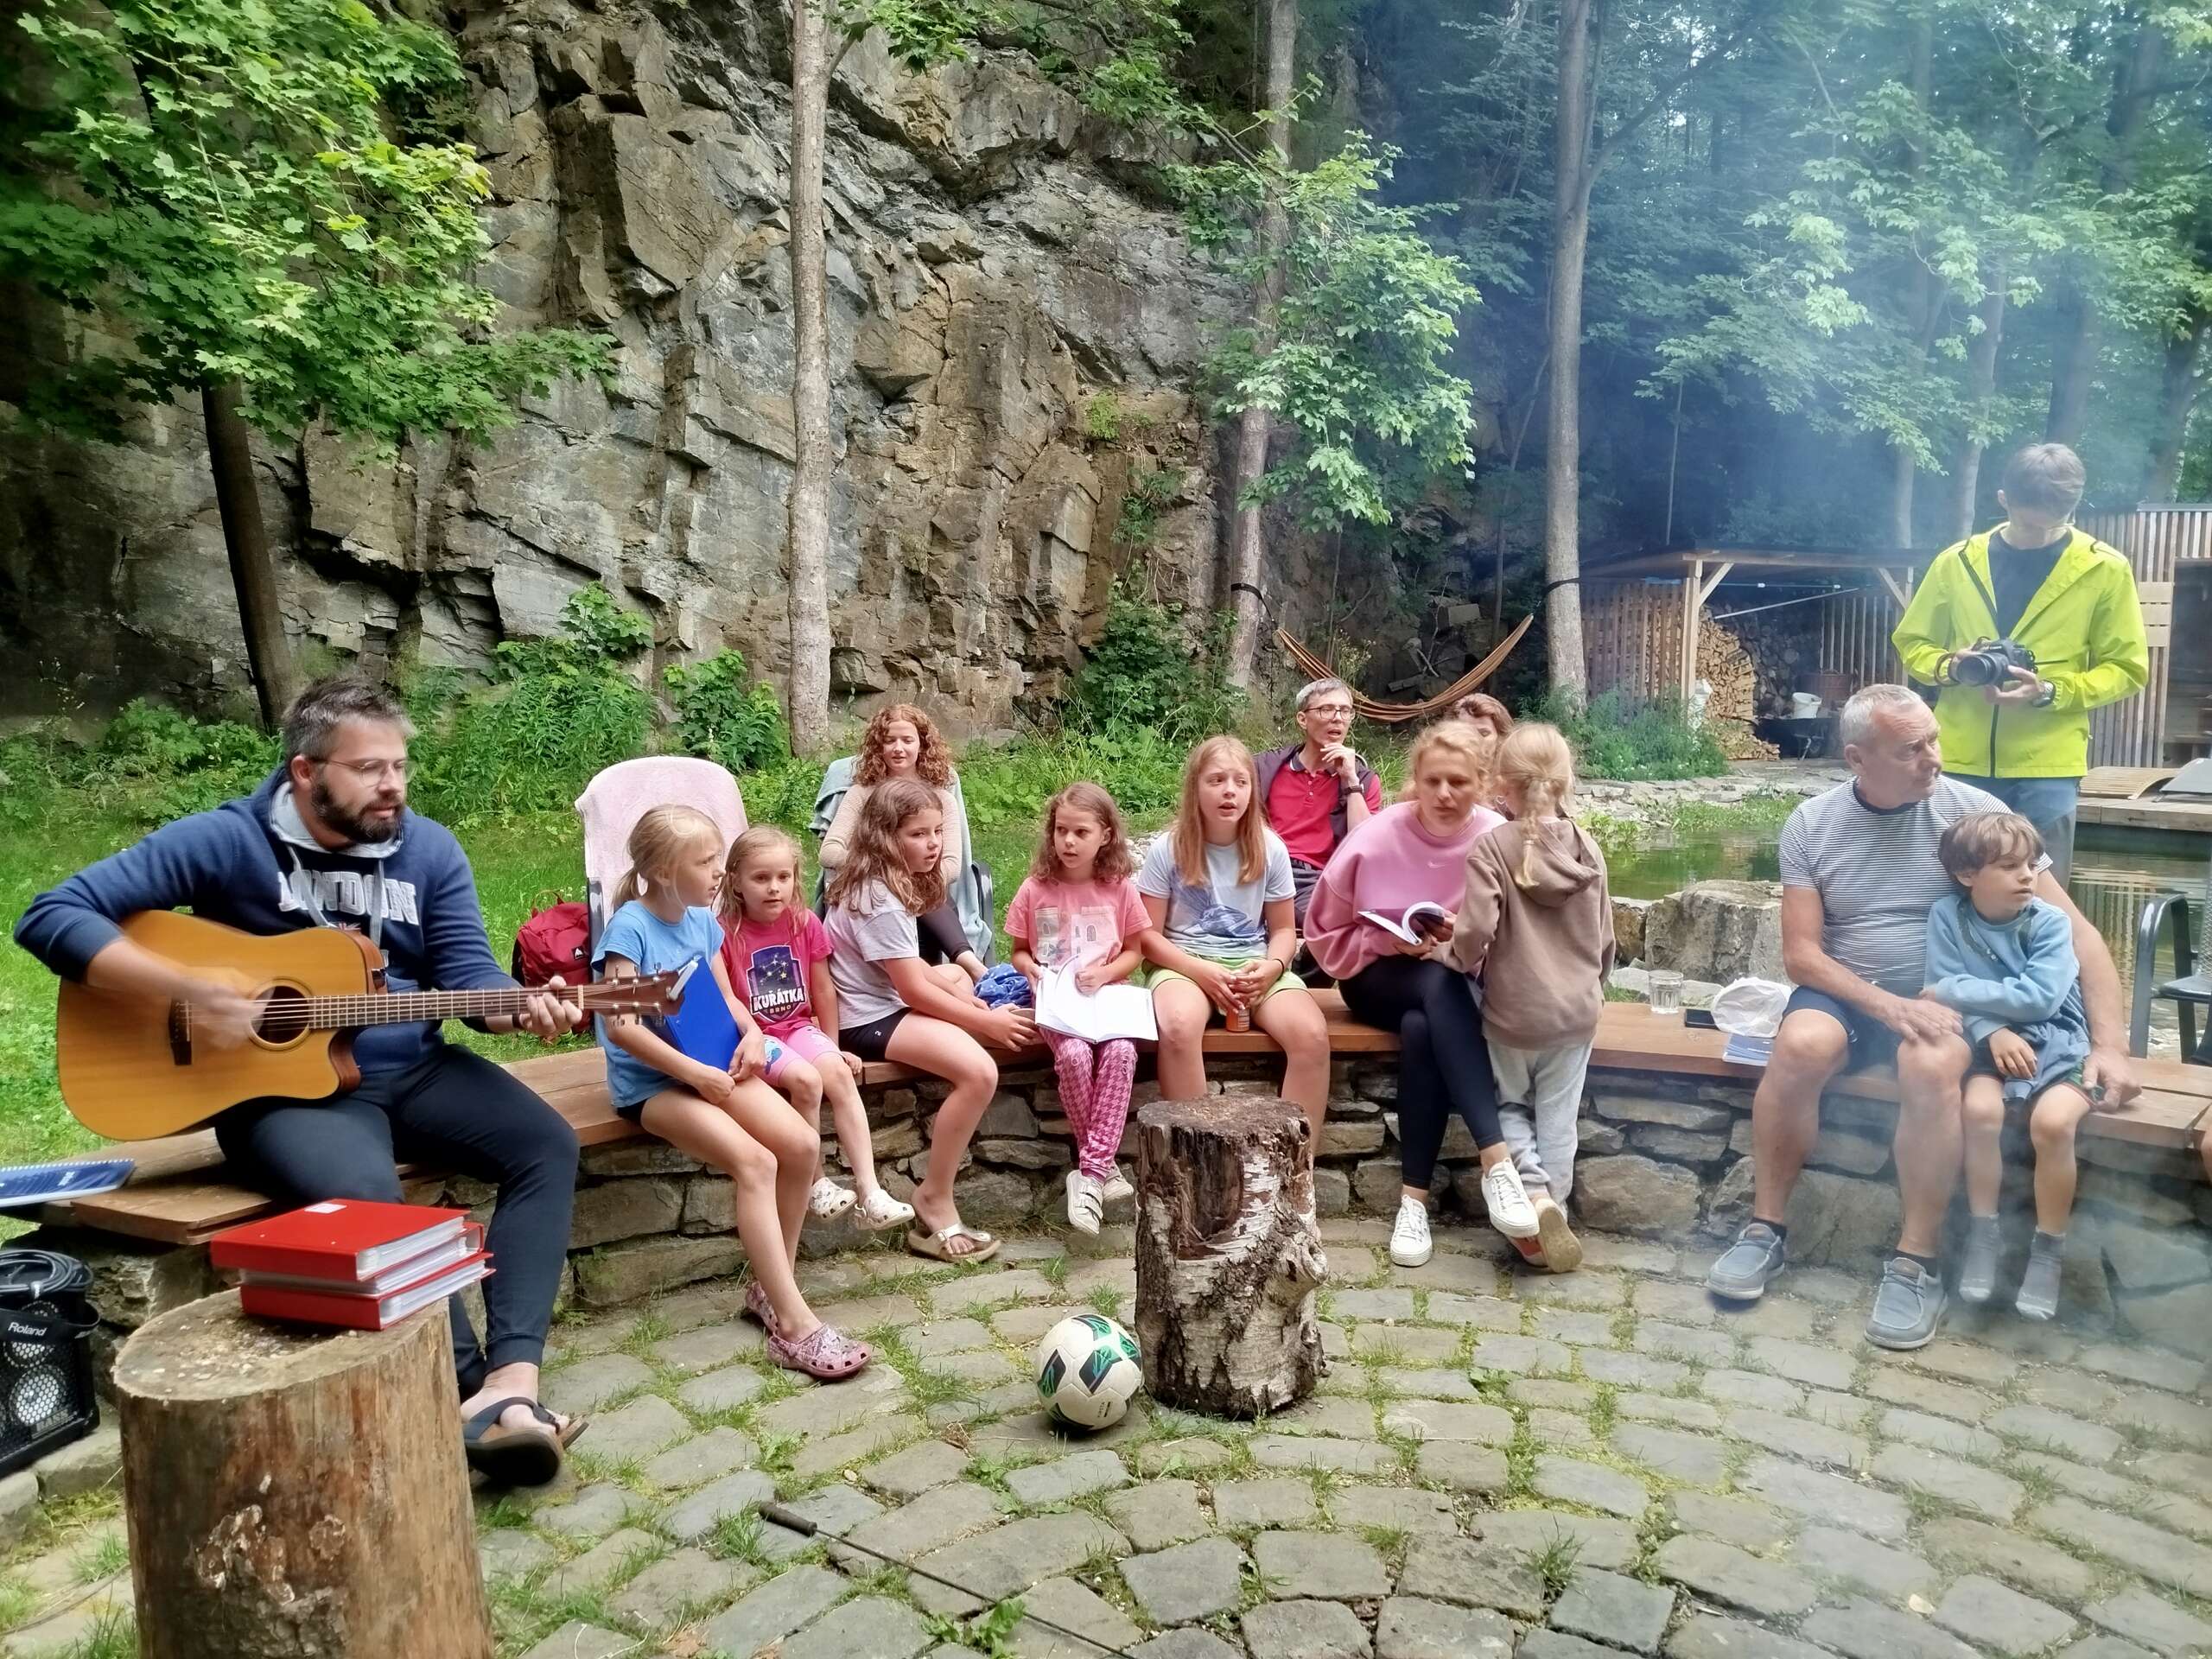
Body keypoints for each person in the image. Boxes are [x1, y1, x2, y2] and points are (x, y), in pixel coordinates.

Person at [14, 677, 588, 1484]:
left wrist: (517, 1009)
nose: (393, 785)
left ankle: (512, 1378)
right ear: (306, 772)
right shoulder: (226, 841)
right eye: (369, 768)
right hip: (280, 1093)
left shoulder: (429, 850)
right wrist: (183, 989)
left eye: (400, 766)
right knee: (369, 1203)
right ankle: (470, 1400)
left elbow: (467, 975)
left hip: (410, 1067)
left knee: (546, 1144)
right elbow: (50, 914)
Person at [1704, 684, 2139, 1350]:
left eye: (1934, 740)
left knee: (1932, 1065)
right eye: (1911, 749)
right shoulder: (1811, 824)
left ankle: (1916, 1263)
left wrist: (2109, 1046)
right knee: (1800, 1045)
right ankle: (1765, 1229)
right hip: (1854, 991)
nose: (1934, 757)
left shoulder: (1978, 815)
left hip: (1954, 1003)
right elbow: (1802, 955)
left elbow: (2077, 933)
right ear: (1858, 758)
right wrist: (1885, 1004)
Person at [594, 808, 869, 1380]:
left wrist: (750, 1035)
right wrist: (695, 1076)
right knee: (756, 1162)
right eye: (706, 862)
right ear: (664, 872)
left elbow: (727, 999)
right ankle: (793, 1325)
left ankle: (773, 1287)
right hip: (655, 1083)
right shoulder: (630, 930)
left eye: (718, 859)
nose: (719, 872)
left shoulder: (700, 920)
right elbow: (621, 1027)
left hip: (715, 1063)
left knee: (800, 1145)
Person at [1303, 721, 1516, 1268]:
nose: (1444, 794)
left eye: (1459, 783)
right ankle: (1497, 1162)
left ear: (1482, 783)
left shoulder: (1497, 838)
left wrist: (1461, 940)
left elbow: (1520, 938)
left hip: (1456, 980)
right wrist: (1386, 940)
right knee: (1435, 987)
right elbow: (1323, 934)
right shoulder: (1376, 836)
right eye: (1433, 781)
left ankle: (1412, 1203)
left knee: (1426, 1021)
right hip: (1376, 978)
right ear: (1415, 781)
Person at [1892, 442, 2149, 887]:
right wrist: (1951, 667)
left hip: (2047, 769)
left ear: (2073, 506)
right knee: (1948, 889)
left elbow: (2127, 668)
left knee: (2044, 899)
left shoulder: (2105, 568)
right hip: (1960, 761)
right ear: (2003, 499)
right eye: (2029, 523)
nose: (2040, 535)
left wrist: (2050, 691)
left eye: (2053, 524)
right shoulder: (1955, 563)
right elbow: (1912, 642)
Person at [825, 778, 1036, 1263]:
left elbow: (912, 970)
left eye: (937, 831)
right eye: (918, 834)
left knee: (961, 983)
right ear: (885, 837)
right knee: (979, 1072)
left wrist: (973, 1003)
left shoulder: (889, 879)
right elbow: (911, 990)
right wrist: (986, 1025)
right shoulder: (879, 899)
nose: (934, 843)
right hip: (867, 1018)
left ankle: (973, 1014)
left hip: (884, 995)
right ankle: (934, 1196)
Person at [1448, 722, 1614, 1275]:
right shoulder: (1588, 848)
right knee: (1558, 1119)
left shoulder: (1493, 846)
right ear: (1565, 779)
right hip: (1576, 1014)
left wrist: (1451, 957)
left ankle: (1536, 1198)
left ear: (1502, 784)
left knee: (1510, 1107)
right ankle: (1556, 1208)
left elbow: (1475, 933)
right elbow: (1606, 939)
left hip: (1514, 1015)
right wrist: (1594, 991)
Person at [1923, 812, 2093, 1322]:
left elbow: (2039, 998)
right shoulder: (1947, 917)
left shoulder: (2050, 922)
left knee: (2054, 1124)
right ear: (1967, 874)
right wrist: (1991, 1030)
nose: (2027, 876)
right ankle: (1985, 1233)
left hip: (2058, 1040)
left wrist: (1953, 990)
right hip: (1989, 1041)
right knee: (1979, 1113)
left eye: (2031, 864)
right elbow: (1941, 981)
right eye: (2009, 866)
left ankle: (2049, 1250)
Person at [718, 826, 914, 1233]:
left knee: (837, 1073)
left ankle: (871, 1191)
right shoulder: (724, 933)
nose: (774, 888)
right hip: (757, 1037)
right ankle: (817, 1183)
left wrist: (832, 1045)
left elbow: (823, 989)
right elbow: (725, 1002)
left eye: (783, 877)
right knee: (806, 1081)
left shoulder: (804, 923)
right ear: (735, 881)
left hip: (798, 1027)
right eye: (761, 878)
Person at [1139, 736, 1332, 1134]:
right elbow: (1148, 938)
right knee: (1178, 1027)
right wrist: (1201, 971)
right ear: (1195, 788)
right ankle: (1197, 1154)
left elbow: (1283, 930)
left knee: (1312, 1035)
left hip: (1252, 966)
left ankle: (1298, 1162)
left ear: (1252, 790)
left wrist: (1272, 966)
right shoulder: (1167, 849)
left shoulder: (1270, 848)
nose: (1229, 791)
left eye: (1240, 781)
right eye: (1216, 780)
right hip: (1184, 965)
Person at [1005, 783, 1151, 1235]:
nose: (1068, 841)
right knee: (1073, 1056)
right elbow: (1019, 951)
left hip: (1107, 996)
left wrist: (1106, 974)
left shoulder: (1119, 888)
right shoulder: (1035, 889)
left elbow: (1135, 952)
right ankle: (1101, 1169)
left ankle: (1088, 1172)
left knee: (1121, 1053)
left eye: (1080, 833)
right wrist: (1030, 968)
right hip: (1057, 1000)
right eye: (1061, 831)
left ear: (1105, 836)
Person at [815, 704, 992, 967]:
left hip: (924, 891)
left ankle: (946, 971)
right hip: (871, 890)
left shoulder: (941, 798)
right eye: (889, 741)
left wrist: (909, 879)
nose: (898, 748)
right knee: (915, 894)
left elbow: (952, 865)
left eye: (907, 740)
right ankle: (970, 968)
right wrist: (885, 873)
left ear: (922, 744)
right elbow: (828, 852)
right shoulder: (861, 793)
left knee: (927, 893)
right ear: (879, 746)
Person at [1255, 679, 1382, 929]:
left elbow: (1365, 846)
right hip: (1262, 867)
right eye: (1326, 709)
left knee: (1345, 916)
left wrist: (1350, 780)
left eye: (1345, 711)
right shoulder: (1266, 767)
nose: (1338, 718)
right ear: (1303, 719)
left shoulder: (1364, 780)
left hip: (1317, 879)